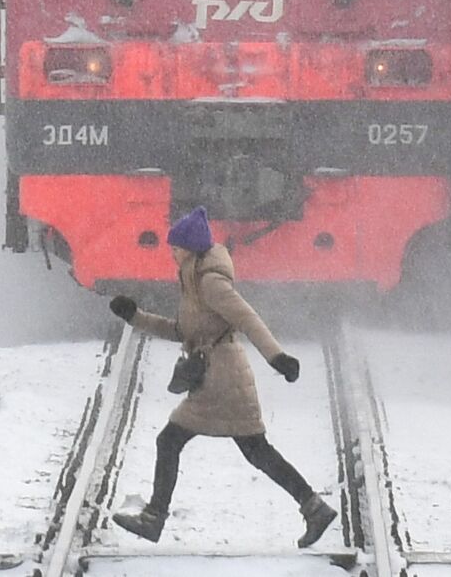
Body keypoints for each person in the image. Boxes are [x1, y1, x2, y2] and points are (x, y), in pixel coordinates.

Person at [107, 206, 338, 547]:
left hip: (223, 380)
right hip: (217, 377)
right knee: (256, 451)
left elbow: (248, 318)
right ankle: (314, 508)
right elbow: (181, 330)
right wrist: (136, 317)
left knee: (171, 441)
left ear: (189, 248)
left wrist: (278, 357)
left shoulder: (210, 283)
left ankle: (154, 518)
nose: (171, 252)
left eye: (176, 247)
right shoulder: (193, 278)